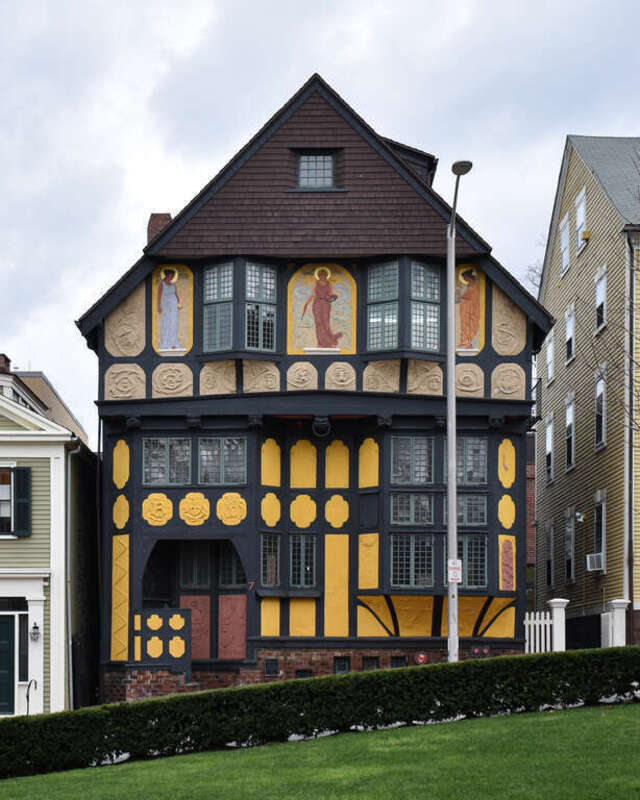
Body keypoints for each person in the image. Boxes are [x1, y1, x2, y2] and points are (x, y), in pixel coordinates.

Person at [302, 267, 343, 348]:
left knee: (325, 323)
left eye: (324, 275)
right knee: (318, 323)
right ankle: (320, 342)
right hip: (317, 304)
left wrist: (333, 297)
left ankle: (330, 341)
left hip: (325, 304)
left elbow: (331, 294)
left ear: (326, 276)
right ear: (319, 276)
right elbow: (313, 294)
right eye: (321, 275)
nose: (322, 277)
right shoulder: (316, 284)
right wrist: (307, 303)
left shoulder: (328, 284)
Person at [157, 268, 183, 350]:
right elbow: (159, 295)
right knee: (166, 322)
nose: (172, 277)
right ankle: (165, 344)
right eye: (171, 275)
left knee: (174, 323)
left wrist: (179, 303)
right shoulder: (162, 284)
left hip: (173, 304)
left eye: (173, 276)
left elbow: (176, 294)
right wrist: (158, 306)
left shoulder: (173, 285)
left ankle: (173, 343)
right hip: (165, 304)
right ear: (167, 275)